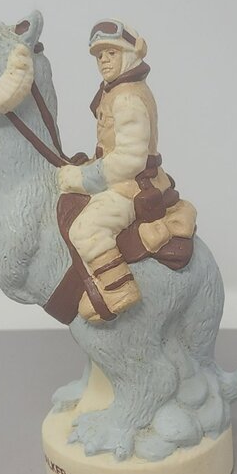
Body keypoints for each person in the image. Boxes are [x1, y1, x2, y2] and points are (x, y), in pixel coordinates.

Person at [58, 19, 173, 322]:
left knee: (86, 229)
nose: (104, 61)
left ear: (130, 54)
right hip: (119, 177)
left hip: (132, 185)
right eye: (100, 55)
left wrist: (83, 178)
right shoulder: (116, 91)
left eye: (112, 53)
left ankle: (119, 289)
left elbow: (130, 159)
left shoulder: (127, 98)